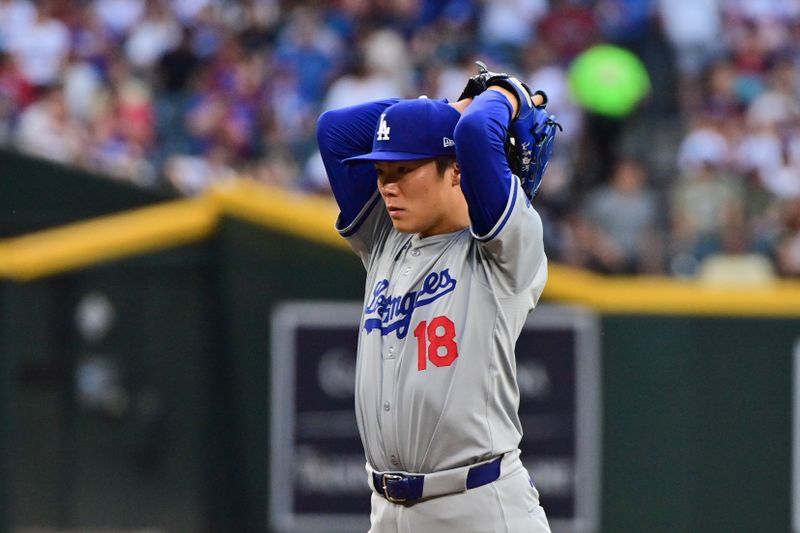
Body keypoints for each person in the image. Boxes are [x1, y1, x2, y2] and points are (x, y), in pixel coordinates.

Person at [316, 68, 552, 532]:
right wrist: (446, 111)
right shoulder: (384, 236)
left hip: (479, 505)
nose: (387, 186)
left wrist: (503, 95)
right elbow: (334, 131)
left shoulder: (505, 247)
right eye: (382, 171)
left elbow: (474, 136)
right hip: (387, 512)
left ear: (458, 169)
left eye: (404, 169)